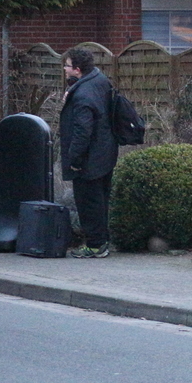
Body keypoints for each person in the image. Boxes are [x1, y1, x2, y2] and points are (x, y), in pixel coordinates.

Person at [60, 47, 119, 258]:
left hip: (89, 159)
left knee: (88, 203)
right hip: (105, 152)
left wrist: (74, 159)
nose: (65, 69)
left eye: (67, 66)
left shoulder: (83, 96)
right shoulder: (99, 80)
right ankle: (102, 241)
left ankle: (95, 245)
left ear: (77, 69)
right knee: (101, 200)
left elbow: (82, 131)